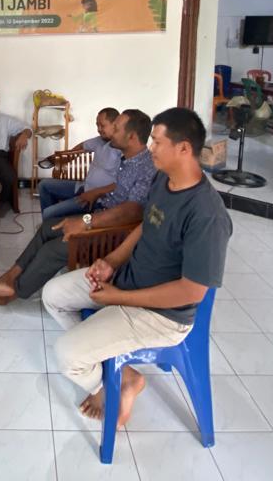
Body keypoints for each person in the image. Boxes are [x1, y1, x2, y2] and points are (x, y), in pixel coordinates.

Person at [42, 108, 232, 427]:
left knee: (67, 355)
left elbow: (191, 291)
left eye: (157, 142)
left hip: (161, 315)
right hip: (129, 281)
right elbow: (145, 225)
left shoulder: (207, 215)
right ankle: (123, 376)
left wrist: (118, 297)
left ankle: (113, 383)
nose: (150, 148)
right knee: (53, 295)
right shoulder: (164, 179)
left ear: (183, 148)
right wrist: (112, 260)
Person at [0, 109, 156, 304]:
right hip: (100, 216)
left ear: (131, 137)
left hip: (112, 234)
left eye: (116, 128)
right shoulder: (126, 160)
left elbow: (131, 211)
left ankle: (13, 292)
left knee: (51, 250)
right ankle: (9, 277)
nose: (111, 131)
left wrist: (85, 221)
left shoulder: (146, 168)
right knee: (47, 228)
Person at [37, 107, 121, 220]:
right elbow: (82, 146)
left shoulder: (121, 148)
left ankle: (52, 224)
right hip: (83, 187)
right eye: (97, 125)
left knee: (48, 213)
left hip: (97, 199)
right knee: (44, 185)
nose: (99, 129)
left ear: (115, 124)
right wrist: (67, 156)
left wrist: (96, 193)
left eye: (102, 125)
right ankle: (52, 225)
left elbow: (122, 184)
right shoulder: (100, 140)